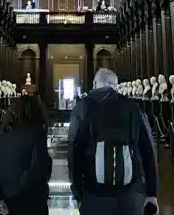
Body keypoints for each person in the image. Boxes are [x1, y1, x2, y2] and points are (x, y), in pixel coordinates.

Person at [68, 67, 159, 214]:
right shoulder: (133, 106)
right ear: (115, 86)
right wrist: (151, 192)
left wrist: (77, 191)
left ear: (96, 84)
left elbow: (74, 150)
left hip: (94, 192)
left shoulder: (84, 106)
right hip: (130, 193)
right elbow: (148, 149)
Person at [0, 93, 52, 215]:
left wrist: (1, 201)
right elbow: (38, 172)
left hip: (4, 208)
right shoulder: (37, 135)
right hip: (31, 206)